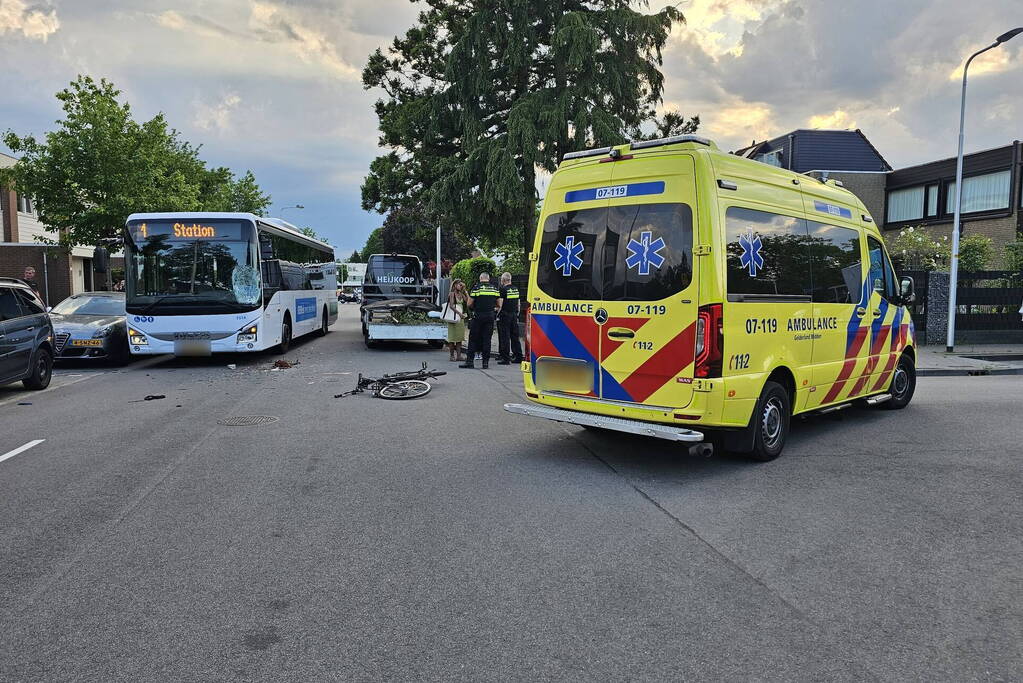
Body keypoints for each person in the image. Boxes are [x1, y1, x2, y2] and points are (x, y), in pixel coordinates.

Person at [459, 272, 501, 369]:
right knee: (487, 339)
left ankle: (470, 362)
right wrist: (493, 308)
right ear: (488, 278)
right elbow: (499, 304)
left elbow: (469, 303)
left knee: (473, 339)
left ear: (480, 278)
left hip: (478, 316)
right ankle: (485, 363)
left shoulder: (476, 288)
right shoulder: (494, 288)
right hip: (490, 316)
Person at [496, 272, 523, 365]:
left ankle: (505, 358)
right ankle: (518, 356)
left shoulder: (503, 290)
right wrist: (517, 313)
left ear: (503, 280)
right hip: (514, 315)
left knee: (505, 337)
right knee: (515, 336)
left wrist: (497, 314)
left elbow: (500, 305)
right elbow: (518, 303)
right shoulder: (516, 289)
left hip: (505, 315)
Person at [445, 278, 469, 362]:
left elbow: (468, 302)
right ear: (455, 285)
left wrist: (465, 291)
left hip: (460, 319)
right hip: (453, 318)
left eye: (461, 285)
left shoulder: (461, 294)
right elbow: (451, 306)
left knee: (459, 338)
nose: (461, 286)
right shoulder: (452, 294)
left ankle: (459, 356)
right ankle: (452, 355)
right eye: (460, 285)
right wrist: (459, 314)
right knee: (452, 338)